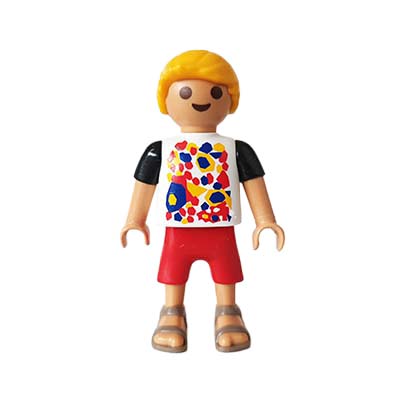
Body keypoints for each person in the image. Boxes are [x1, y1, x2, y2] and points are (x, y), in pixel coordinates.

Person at [121, 50, 285, 353]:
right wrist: (135, 219)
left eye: (216, 92)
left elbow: (254, 183)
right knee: (173, 270)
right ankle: (172, 313)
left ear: (230, 100)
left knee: (225, 270)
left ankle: (228, 312)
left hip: (220, 228)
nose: (200, 99)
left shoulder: (237, 149)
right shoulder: (161, 149)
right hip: (178, 228)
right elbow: (145, 184)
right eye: (184, 92)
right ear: (166, 100)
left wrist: (265, 220)